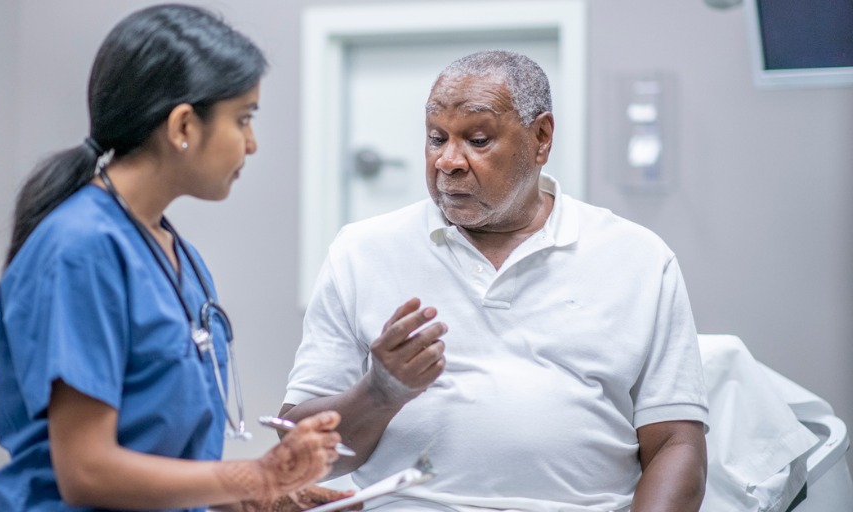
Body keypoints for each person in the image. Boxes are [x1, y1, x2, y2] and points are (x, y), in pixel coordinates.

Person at [280, 50, 709, 512]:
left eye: (477, 140)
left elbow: (675, 445)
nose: (448, 161)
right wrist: (379, 392)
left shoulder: (638, 258)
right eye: (436, 138)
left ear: (541, 138)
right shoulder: (361, 252)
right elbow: (294, 457)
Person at [0, 5, 354, 511]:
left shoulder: (179, 258)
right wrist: (252, 476)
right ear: (183, 125)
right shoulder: (81, 249)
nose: (252, 144)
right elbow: (87, 471)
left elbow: (162, 453)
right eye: (243, 119)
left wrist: (264, 496)